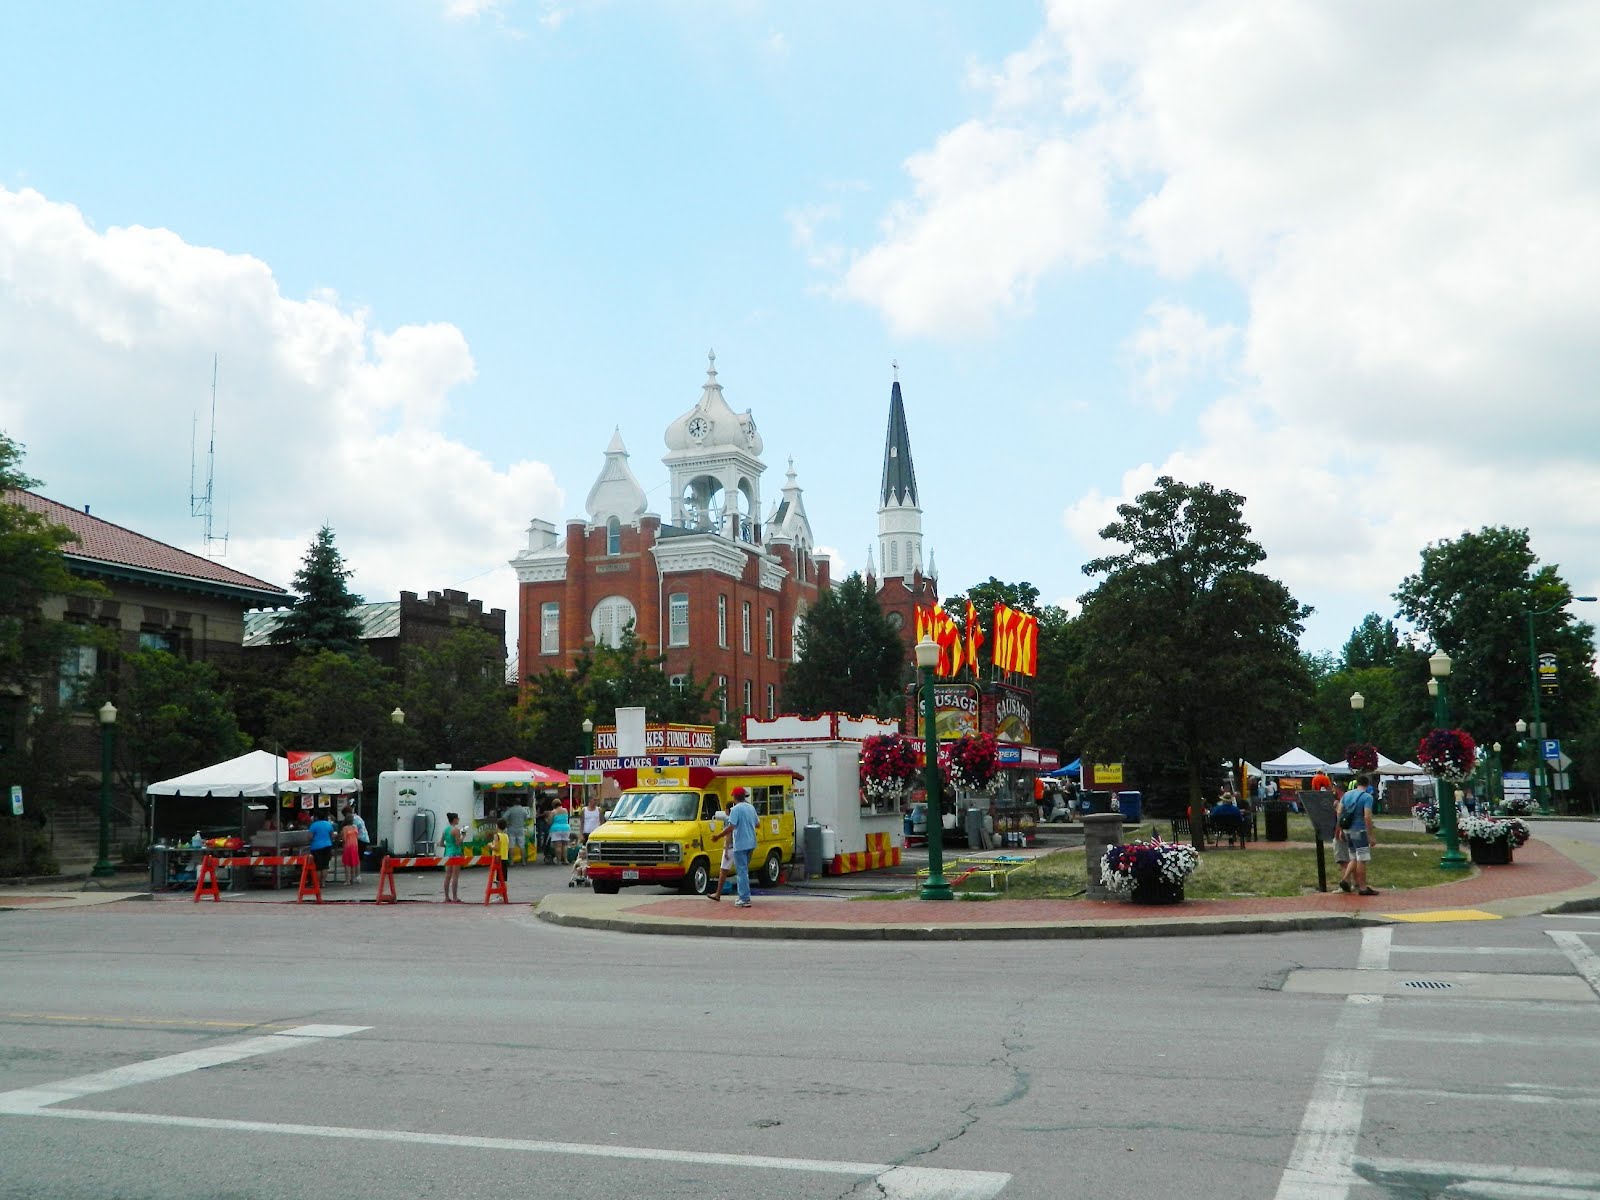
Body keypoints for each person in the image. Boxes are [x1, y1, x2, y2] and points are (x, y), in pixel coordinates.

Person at [1336, 773, 1379, 895]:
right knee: (1362, 858)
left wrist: (1340, 830)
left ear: (1356, 783)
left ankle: (1345, 880)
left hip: (1348, 830)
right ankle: (1362, 887)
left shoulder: (1347, 795)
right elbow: (1367, 816)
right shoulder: (1367, 797)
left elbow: (1339, 812)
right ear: (1368, 784)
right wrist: (1370, 834)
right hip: (1359, 830)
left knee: (1353, 857)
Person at [722, 786, 758, 908]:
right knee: (745, 870)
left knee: (741, 871)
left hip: (741, 844)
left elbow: (731, 827)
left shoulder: (735, 809)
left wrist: (718, 836)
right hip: (752, 843)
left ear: (734, 797)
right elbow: (757, 824)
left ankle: (744, 898)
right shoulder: (751, 807)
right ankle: (745, 895)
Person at [708, 805, 734, 901]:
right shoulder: (738, 817)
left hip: (730, 848)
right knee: (742, 872)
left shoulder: (728, 819)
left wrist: (726, 850)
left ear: (727, 810)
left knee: (723, 872)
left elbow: (728, 835)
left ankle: (718, 893)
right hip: (739, 847)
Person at [440, 811, 465, 902]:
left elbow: (441, 843)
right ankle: (455, 896)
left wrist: (448, 846)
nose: (458, 820)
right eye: (457, 818)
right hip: (456, 853)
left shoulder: (445, 830)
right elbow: (458, 843)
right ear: (454, 820)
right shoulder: (456, 830)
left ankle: (446, 896)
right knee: (455, 876)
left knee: (447, 875)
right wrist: (463, 836)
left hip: (447, 853)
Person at [306, 809, 336, 882]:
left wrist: (312, 840)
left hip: (316, 847)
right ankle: (323, 883)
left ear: (316, 817)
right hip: (327, 846)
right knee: (325, 865)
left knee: (318, 866)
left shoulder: (314, 825)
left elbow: (310, 837)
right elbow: (332, 836)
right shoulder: (328, 824)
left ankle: (317, 883)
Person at [503, 797, 531, 865]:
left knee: (511, 845)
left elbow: (504, 817)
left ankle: (511, 861)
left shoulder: (511, 809)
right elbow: (526, 818)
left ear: (513, 803)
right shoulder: (523, 810)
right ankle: (523, 861)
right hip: (520, 828)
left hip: (512, 828)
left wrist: (508, 822)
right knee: (522, 846)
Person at [488, 818, 511, 886]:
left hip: (498, 858)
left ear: (497, 826)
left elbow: (496, 848)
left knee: (497, 878)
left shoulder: (497, 835)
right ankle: (503, 893)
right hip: (505, 857)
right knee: (503, 878)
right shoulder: (506, 836)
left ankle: (499, 894)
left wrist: (490, 845)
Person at [340, 817, 361, 885]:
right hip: (355, 846)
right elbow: (357, 836)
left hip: (348, 846)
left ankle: (347, 880)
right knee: (354, 862)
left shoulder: (345, 828)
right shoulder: (355, 827)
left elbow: (344, 839)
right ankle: (353, 879)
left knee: (347, 863)